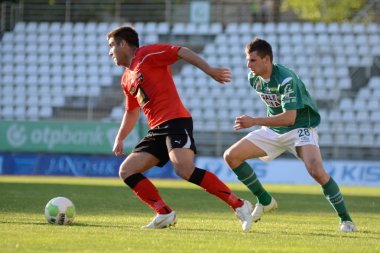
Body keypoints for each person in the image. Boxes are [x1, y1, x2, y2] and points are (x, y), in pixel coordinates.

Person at [106, 26, 253, 231]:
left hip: (176, 121)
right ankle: (164, 213)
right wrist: (120, 138)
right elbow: (131, 112)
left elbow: (181, 51)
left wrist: (210, 70)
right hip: (156, 130)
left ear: (123, 44)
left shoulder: (147, 55)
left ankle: (239, 205)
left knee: (183, 169)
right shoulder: (126, 78)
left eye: (112, 45)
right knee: (127, 170)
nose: (109, 51)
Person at [223, 38, 357, 232]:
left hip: (300, 128)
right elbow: (275, 109)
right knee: (231, 156)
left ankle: (346, 220)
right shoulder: (254, 79)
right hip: (274, 130)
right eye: (247, 60)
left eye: (252, 60)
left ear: (266, 59)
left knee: (316, 171)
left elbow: (289, 118)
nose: (248, 65)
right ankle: (265, 200)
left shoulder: (286, 79)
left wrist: (254, 121)